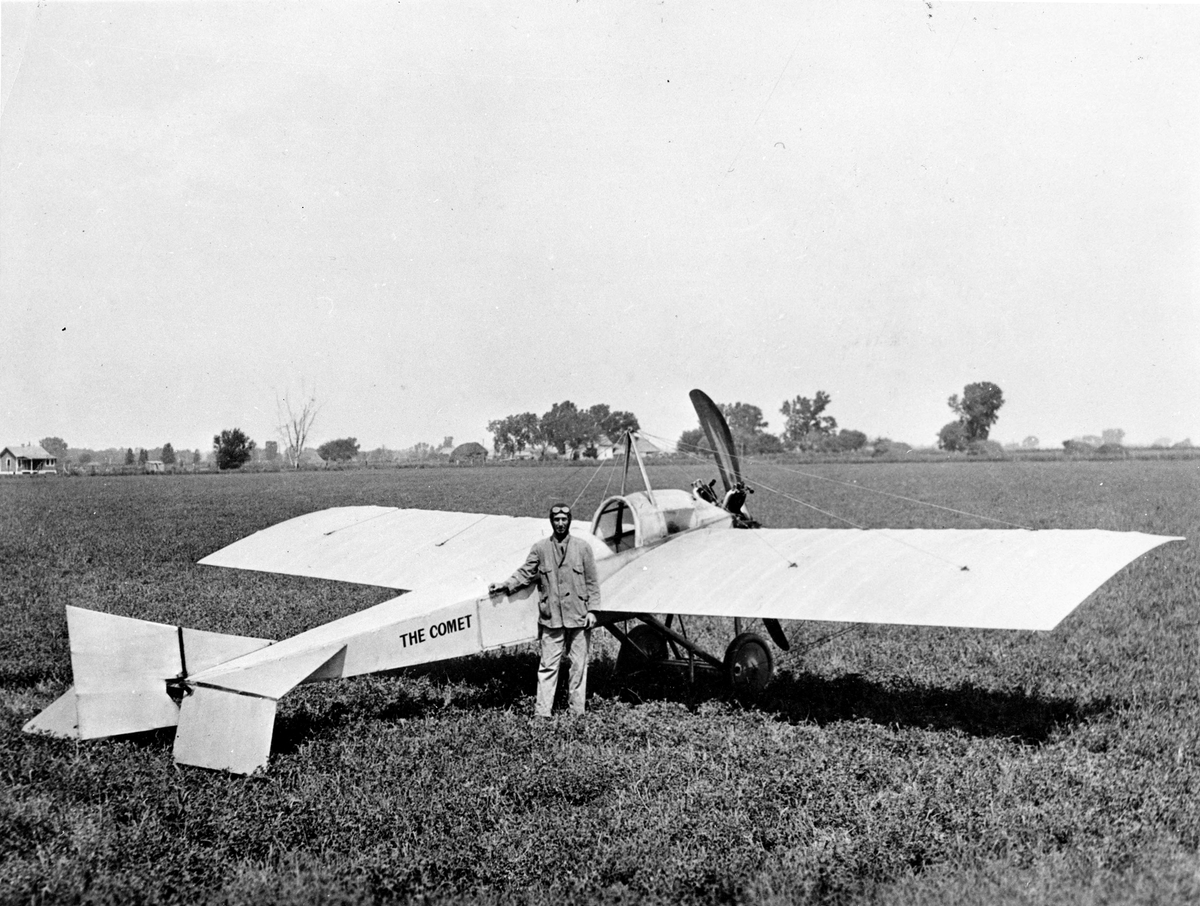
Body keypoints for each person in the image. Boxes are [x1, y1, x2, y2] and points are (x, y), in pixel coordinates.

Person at [489, 503, 600, 717]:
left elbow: (592, 582)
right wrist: (505, 584)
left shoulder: (583, 547)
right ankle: (542, 714)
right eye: (556, 520)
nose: (560, 524)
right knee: (548, 666)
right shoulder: (540, 548)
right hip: (552, 619)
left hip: (578, 617)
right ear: (551, 521)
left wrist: (593, 611)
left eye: (564, 520)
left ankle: (577, 712)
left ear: (569, 521)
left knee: (579, 666)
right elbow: (525, 573)